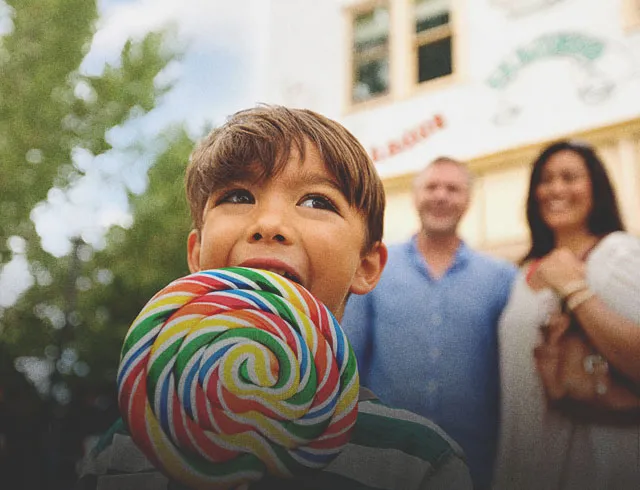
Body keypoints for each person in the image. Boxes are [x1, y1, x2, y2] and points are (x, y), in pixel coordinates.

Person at [76, 105, 473, 490]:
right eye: (237, 196)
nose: (269, 224)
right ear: (196, 255)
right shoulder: (128, 449)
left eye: (317, 201)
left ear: (366, 266)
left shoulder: (415, 462)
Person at [341, 157, 516, 490]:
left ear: (468, 199)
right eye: (432, 187)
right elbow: (350, 360)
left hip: (475, 459)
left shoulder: (501, 277)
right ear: (414, 196)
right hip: (384, 453)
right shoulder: (374, 269)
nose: (441, 196)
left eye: (453, 188)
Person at [493, 140, 640, 490]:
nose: (556, 189)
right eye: (546, 179)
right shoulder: (524, 271)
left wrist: (575, 289)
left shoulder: (617, 254)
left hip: (599, 463)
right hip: (529, 460)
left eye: (570, 177)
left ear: (596, 188)